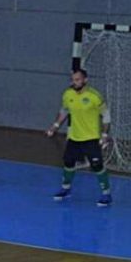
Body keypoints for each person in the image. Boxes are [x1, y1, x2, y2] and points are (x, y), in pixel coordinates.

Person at [46, 69, 112, 206]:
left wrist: (104, 134)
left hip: (91, 137)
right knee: (68, 162)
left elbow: (106, 115)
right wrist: (55, 125)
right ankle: (66, 189)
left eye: (77, 79)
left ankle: (106, 194)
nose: (74, 82)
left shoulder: (94, 96)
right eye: (72, 79)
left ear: (85, 80)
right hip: (74, 137)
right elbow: (64, 110)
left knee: (97, 165)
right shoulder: (68, 94)